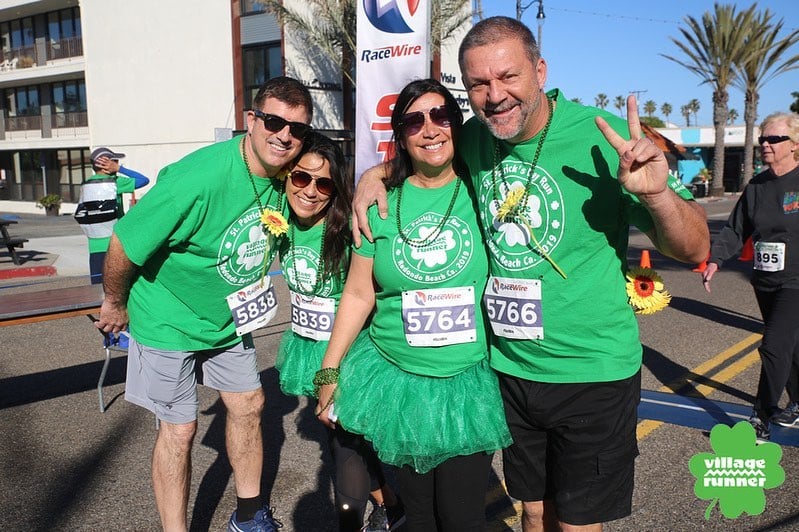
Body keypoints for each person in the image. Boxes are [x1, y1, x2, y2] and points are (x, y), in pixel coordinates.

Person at [352, 17, 709, 531]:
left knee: (577, 522)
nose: (495, 95)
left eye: (508, 77)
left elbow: (696, 245)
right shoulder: (475, 138)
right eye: (478, 84)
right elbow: (422, 160)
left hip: (591, 371)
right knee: (535, 513)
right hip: (512, 371)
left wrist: (656, 194)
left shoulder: (599, 137)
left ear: (539, 71)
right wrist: (373, 175)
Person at [95, 76, 313, 532]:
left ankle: (249, 516)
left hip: (228, 319)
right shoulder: (199, 179)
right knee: (180, 429)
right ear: (251, 121)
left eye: (297, 128)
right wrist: (114, 302)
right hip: (168, 317)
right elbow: (125, 241)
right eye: (274, 121)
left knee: (251, 404)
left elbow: (346, 173)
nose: (285, 135)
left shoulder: (289, 175)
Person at [318, 78, 512, 531]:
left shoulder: (482, 189)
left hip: (467, 382)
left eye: (441, 116)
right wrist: (328, 371)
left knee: (462, 518)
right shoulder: (378, 205)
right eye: (414, 120)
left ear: (457, 126)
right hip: (396, 383)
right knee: (418, 519)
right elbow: (358, 293)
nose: (430, 129)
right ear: (400, 135)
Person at [274, 132, 404, 531]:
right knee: (346, 437)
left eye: (324, 183)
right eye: (301, 178)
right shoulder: (276, 218)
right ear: (286, 177)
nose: (311, 191)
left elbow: (370, 288)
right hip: (307, 346)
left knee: (345, 441)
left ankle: (375, 515)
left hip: (348, 352)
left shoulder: (348, 226)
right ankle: (393, 507)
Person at [701, 112, 799, 443]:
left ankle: (761, 415)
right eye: (763, 140)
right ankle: (797, 402)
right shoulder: (757, 185)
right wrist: (715, 260)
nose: (766, 145)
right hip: (765, 280)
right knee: (789, 346)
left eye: (774, 139)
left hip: (797, 281)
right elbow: (737, 227)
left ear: (794, 144)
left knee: (773, 346)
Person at [74, 147, 150, 284]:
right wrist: (120, 169)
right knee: (120, 286)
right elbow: (143, 180)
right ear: (105, 164)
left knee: (98, 288)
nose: (116, 163)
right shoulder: (115, 183)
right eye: (114, 161)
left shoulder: (86, 185)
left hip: (95, 245)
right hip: (116, 244)